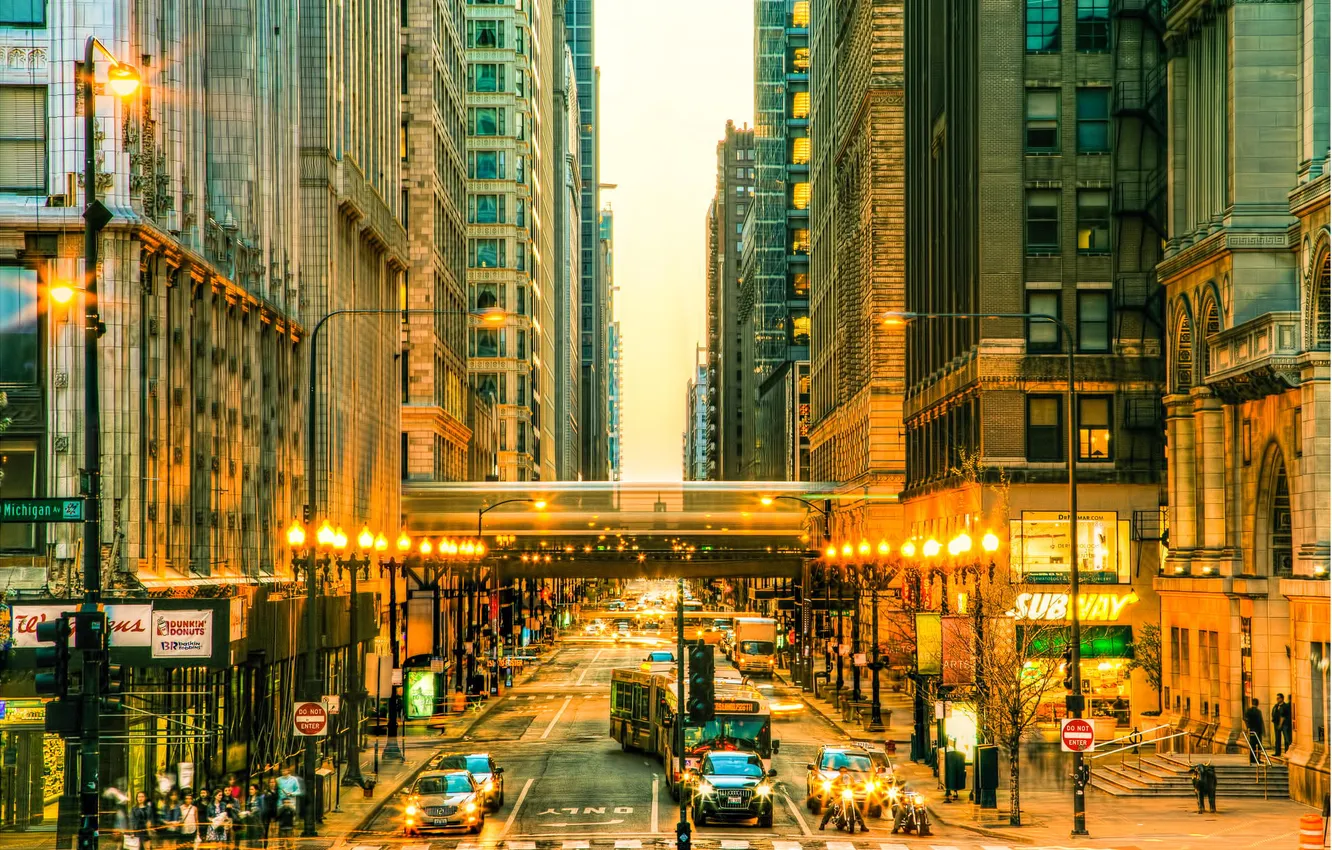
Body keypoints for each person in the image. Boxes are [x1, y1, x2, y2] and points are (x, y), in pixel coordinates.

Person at [818, 767, 864, 833]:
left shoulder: (850, 778)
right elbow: (832, 785)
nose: (843, 772)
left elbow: (855, 785)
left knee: (856, 808)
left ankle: (862, 825)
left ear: (847, 771)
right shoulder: (837, 779)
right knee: (831, 807)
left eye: (845, 771)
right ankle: (823, 824)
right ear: (839, 772)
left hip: (849, 797)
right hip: (839, 797)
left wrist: (859, 786)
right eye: (842, 771)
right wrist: (835, 789)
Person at [1244, 697, 1265, 763]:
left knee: (1252, 745)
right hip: (1257, 731)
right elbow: (1260, 722)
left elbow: (1245, 719)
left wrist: (1247, 727)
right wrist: (1263, 731)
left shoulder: (1248, 711)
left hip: (1251, 730)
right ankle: (1257, 758)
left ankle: (1252, 758)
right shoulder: (1258, 712)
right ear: (1257, 704)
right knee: (1258, 745)